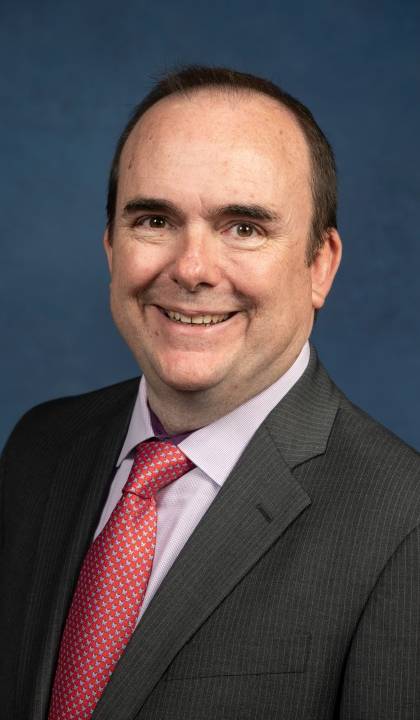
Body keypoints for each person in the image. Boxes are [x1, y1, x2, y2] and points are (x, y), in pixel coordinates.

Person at [1, 65, 420, 720]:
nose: (192, 269)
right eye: (154, 220)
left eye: (244, 227)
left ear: (319, 266)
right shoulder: (39, 448)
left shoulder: (404, 523)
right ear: (112, 245)